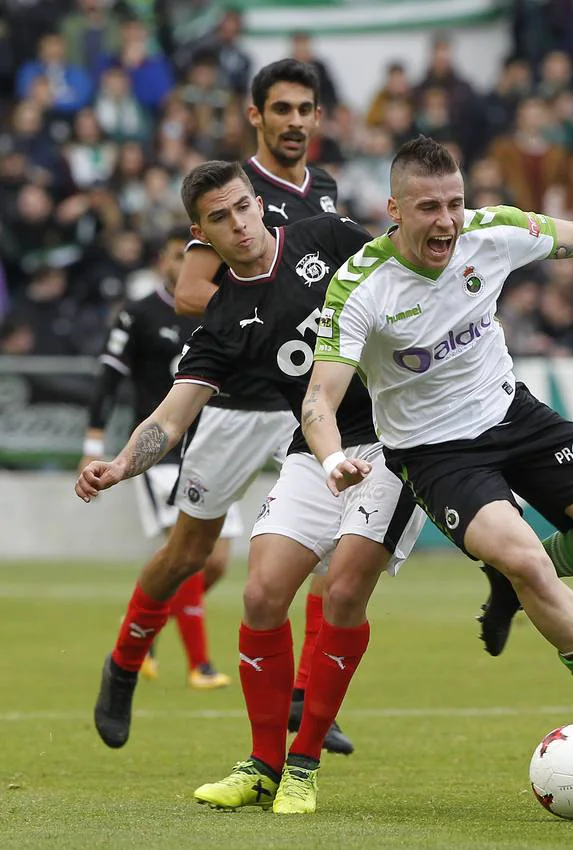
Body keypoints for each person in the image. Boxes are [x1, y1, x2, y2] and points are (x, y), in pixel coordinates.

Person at [300, 135, 573, 775]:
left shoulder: (493, 231)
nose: (447, 222)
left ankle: (511, 584)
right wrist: (329, 460)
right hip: (435, 454)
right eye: (429, 208)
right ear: (394, 210)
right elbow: (319, 398)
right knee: (527, 561)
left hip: (513, 413)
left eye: (455, 203)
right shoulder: (360, 287)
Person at [77, 160, 426, 814]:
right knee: (216, 569)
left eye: (244, 207)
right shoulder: (223, 322)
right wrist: (120, 463)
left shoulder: (324, 234)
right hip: (280, 423)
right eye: (221, 218)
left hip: (383, 435)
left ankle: (305, 741)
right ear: (200, 234)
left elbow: (405, 270)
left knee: (339, 580)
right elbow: (172, 414)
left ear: (257, 201)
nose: (240, 225)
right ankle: (129, 665)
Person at [169, 58, 354, 754]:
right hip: (238, 397)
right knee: (189, 553)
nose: (297, 121)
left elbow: (359, 274)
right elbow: (191, 292)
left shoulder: (326, 193)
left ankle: (309, 696)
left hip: (309, 400)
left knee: (329, 551)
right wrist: (252, 320)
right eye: (283, 109)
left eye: (307, 108)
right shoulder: (232, 195)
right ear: (257, 115)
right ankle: (126, 661)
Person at [80, 229, 234, 690]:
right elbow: (109, 378)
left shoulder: (216, 307)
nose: (180, 266)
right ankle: (200, 665)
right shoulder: (140, 312)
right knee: (184, 552)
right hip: (160, 453)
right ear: (162, 260)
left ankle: (143, 635)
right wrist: (94, 444)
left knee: (218, 560)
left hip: (210, 448)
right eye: (173, 257)